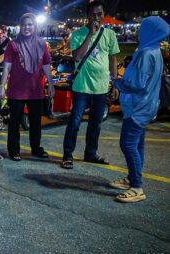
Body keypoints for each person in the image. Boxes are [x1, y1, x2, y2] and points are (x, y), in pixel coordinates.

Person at [109, 16, 169, 203]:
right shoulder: (154, 50)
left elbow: (137, 83)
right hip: (147, 105)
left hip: (138, 106)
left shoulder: (146, 54)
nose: (138, 32)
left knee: (127, 144)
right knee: (137, 144)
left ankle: (136, 186)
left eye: (142, 28)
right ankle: (133, 178)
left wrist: (117, 83)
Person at [61, 0, 120, 169]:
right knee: (75, 122)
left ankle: (91, 153)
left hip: (101, 87)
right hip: (81, 86)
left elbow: (113, 59)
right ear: (87, 15)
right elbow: (78, 57)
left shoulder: (110, 35)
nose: (97, 17)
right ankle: (67, 155)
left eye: (100, 14)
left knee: (96, 123)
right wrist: (90, 34)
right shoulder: (78, 34)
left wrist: (114, 83)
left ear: (104, 15)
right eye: (93, 14)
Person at [0, 13, 55, 162]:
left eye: (30, 24)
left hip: (35, 90)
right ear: (20, 26)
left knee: (35, 122)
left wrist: (50, 84)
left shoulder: (42, 44)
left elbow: (46, 65)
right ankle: (14, 150)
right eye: (24, 25)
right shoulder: (13, 44)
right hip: (16, 90)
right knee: (14, 122)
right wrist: (2, 85)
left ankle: (36, 149)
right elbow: (7, 67)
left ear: (35, 26)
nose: (27, 27)